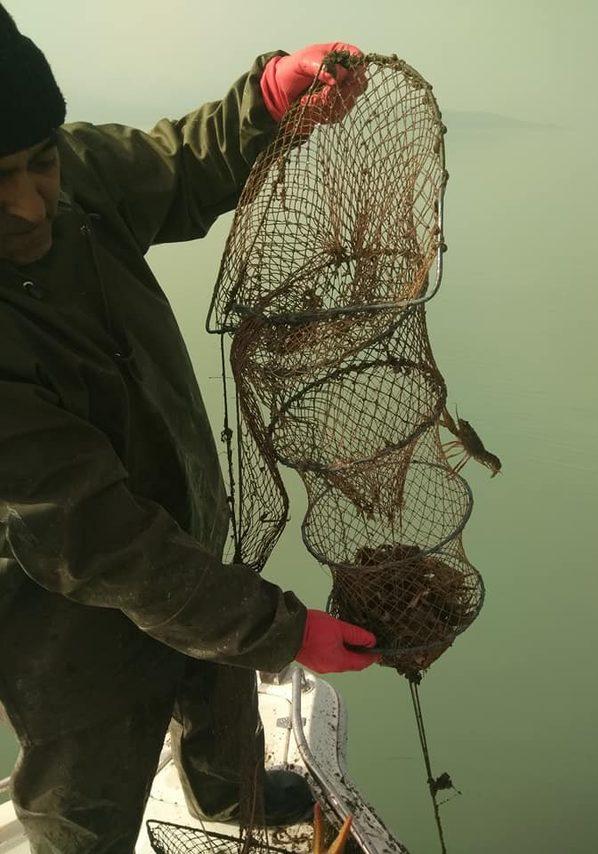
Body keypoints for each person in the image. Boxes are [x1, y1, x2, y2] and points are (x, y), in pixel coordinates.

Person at [0, 6, 377, 851]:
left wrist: (269, 98)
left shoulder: (82, 181)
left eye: (40, 163)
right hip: (60, 608)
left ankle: (226, 793)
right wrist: (288, 630)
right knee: (82, 784)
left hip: (190, 534)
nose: (29, 203)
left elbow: (176, 164)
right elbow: (101, 541)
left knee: (218, 678)